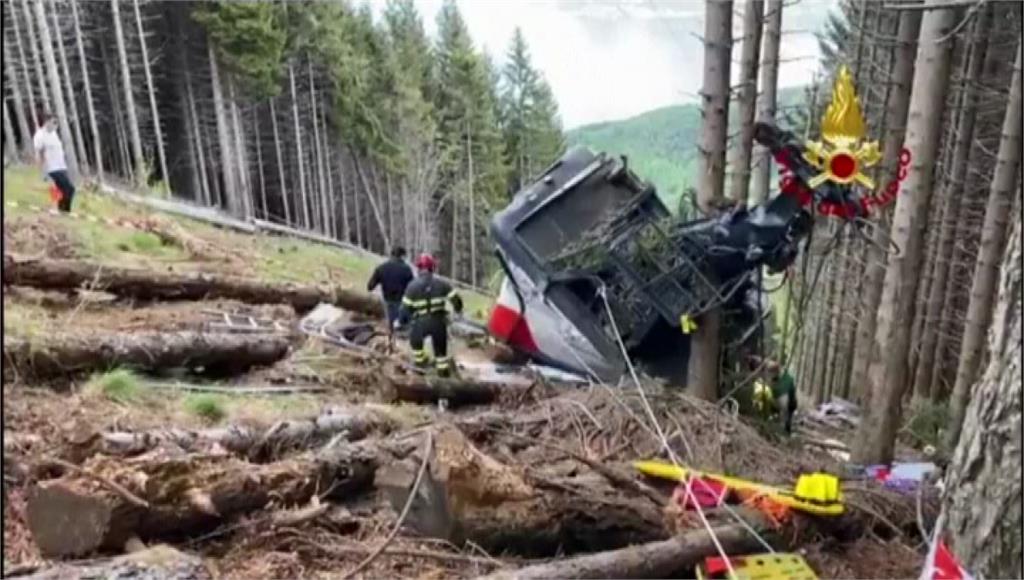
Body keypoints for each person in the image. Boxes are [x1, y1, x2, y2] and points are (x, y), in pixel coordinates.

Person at [400, 253, 463, 377]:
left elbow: (404, 310)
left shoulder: (412, 286)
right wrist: (457, 311)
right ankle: (444, 384)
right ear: (432, 268)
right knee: (441, 356)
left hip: (420, 323)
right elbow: (457, 301)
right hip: (438, 322)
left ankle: (420, 375)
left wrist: (401, 322)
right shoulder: (442, 284)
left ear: (419, 268)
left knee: (417, 350)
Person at [33, 113, 75, 213]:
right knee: (69, 189)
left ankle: (61, 210)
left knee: (61, 190)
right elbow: (38, 153)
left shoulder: (53, 133)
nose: (56, 125)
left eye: (57, 123)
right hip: (52, 168)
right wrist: (42, 171)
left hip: (61, 167)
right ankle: (63, 210)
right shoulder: (40, 135)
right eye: (54, 122)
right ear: (47, 122)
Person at [367, 246, 414, 332]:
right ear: (403, 256)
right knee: (404, 329)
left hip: (388, 302)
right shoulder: (407, 269)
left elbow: (370, 286)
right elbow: (413, 289)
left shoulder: (381, 268)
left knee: (391, 326)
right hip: (402, 302)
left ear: (391, 255)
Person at [752, 360, 798, 434]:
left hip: (789, 403)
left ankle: (785, 433)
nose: (769, 374)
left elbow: (782, 396)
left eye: (771, 372)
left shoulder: (787, 380)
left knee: (786, 421)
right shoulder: (778, 377)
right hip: (779, 401)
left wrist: (770, 387)